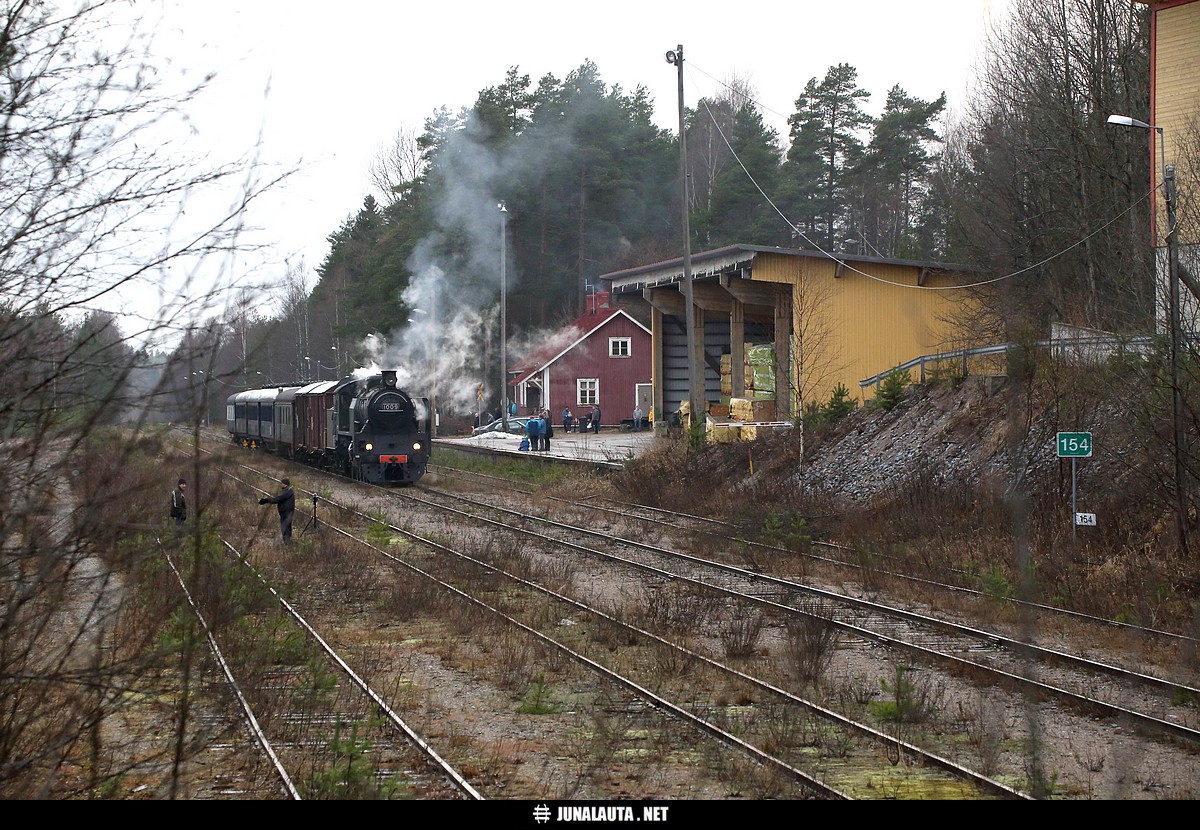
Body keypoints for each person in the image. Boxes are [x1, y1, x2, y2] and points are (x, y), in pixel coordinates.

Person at [259, 477, 296, 542]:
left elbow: (278, 499)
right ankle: (288, 540)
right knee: (287, 526)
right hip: (288, 511)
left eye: (282, 483)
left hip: (285, 512)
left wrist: (266, 500)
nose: (281, 484)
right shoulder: (288, 490)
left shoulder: (286, 491)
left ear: (285, 484)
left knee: (285, 526)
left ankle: (287, 542)